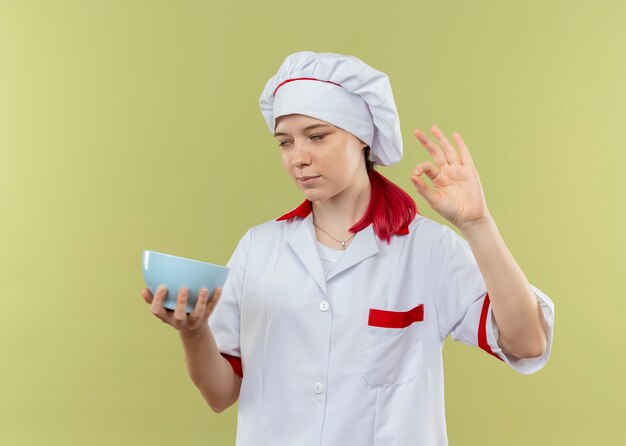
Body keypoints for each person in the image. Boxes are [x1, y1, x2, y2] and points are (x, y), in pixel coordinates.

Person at [141, 51, 555, 445]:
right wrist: (194, 334)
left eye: (317, 136)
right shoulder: (259, 249)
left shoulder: (427, 250)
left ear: (362, 138)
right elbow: (220, 394)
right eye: (285, 142)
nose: (297, 158)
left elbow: (527, 342)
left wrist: (478, 225)